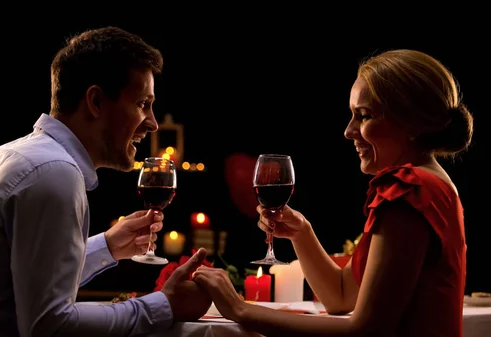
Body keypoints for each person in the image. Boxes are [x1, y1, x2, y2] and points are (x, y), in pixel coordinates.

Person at [0, 26, 211, 337]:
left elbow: (21, 278)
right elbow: (50, 326)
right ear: (96, 101)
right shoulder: (55, 173)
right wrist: (164, 305)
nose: (151, 123)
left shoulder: (7, 156)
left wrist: (108, 247)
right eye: (142, 104)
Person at [193, 49, 473, 336]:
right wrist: (302, 233)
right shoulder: (435, 183)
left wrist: (241, 309)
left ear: (412, 122)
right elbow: (340, 298)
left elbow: (365, 329)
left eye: (363, 116)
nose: (348, 131)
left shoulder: (408, 189)